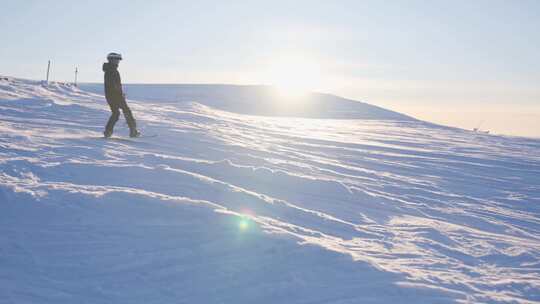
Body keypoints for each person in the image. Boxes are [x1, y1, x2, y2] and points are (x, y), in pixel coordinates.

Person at [103, 52, 140, 138]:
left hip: (110, 96)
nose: (118, 62)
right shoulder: (112, 70)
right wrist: (119, 93)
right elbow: (113, 84)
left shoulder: (109, 69)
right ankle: (133, 131)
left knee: (116, 113)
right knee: (127, 111)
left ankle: (108, 131)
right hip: (116, 96)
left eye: (119, 60)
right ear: (112, 60)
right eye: (117, 60)